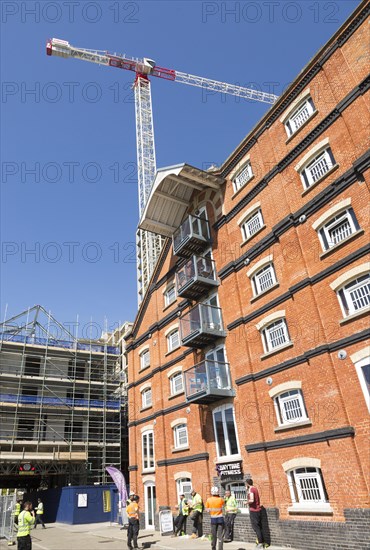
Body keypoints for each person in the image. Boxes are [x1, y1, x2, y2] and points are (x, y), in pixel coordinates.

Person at [245, 479, 269, 549]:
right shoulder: (255, 488)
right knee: (259, 527)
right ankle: (261, 542)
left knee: (256, 527)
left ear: (247, 484)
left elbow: (252, 500)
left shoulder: (251, 489)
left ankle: (260, 543)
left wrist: (246, 502)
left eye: (245, 484)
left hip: (254, 511)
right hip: (258, 510)